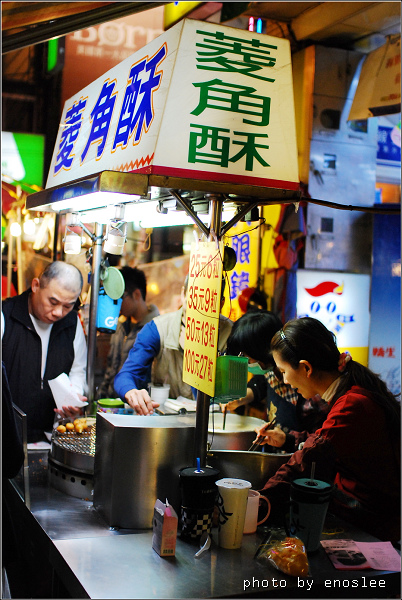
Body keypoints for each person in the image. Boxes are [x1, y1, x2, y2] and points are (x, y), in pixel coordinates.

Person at [257, 317, 400, 543]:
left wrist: (259, 503)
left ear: (306, 368)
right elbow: (329, 439)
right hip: (362, 517)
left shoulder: (352, 404)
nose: (284, 380)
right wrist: (287, 440)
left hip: (369, 529)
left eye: (283, 371)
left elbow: (308, 458)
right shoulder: (351, 390)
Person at [114, 275, 233, 416]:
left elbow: (257, 375)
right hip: (168, 421)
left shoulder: (231, 334)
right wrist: (130, 391)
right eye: (193, 301)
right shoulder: (158, 329)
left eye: (206, 306)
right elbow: (127, 374)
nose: (198, 312)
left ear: (221, 304)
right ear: (183, 294)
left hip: (215, 423)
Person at [1, 261, 87, 443]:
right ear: (35, 286)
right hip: (7, 437)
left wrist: (74, 398)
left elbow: (78, 370)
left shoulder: (72, 323)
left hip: (51, 437)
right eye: (53, 302)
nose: (58, 312)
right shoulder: (6, 316)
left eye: (67, 305)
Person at [225, 311, 329, 452]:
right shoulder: (271, 370)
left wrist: (289, 441)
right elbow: (261, 383)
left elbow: (323, 442)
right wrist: (241, 398)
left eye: (247, 357)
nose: (285, 380)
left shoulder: (310, 388)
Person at [96, 266, 159, 399]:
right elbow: (111, 368)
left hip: (137, 405)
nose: (116, 305)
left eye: (119, 298)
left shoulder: (156, 330)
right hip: (112, 404)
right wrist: (101, 397)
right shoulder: (119, 327)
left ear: (136, 294)